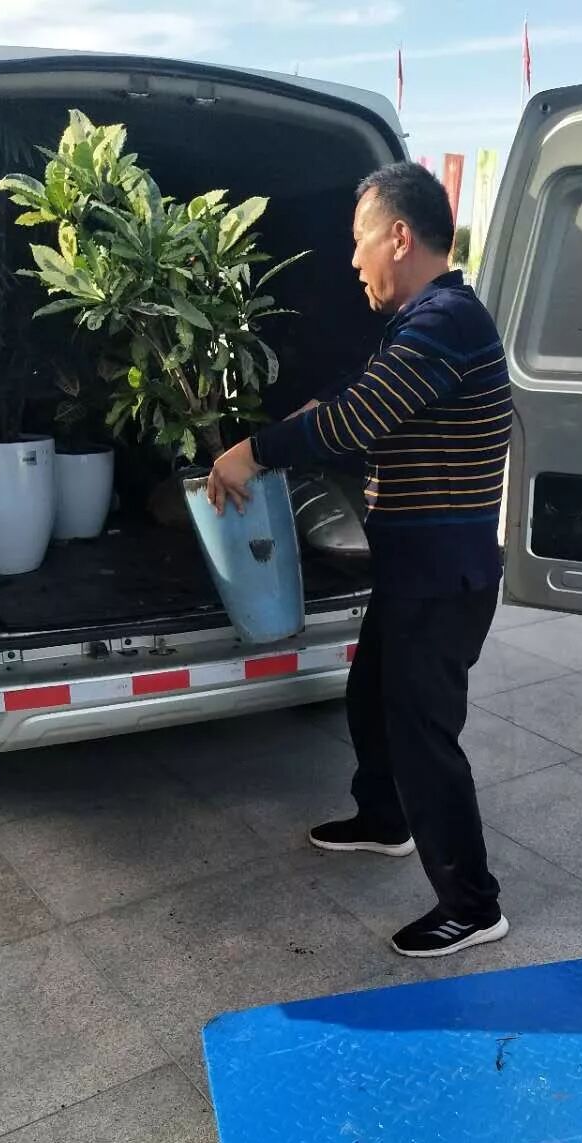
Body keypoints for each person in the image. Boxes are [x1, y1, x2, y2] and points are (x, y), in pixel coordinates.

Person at [209, 161, 512, 959]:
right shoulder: (427, 323)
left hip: (443, 581)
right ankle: (385, 820)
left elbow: (356, 419)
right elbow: (365, 390)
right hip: (417, 571)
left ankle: (473, 905)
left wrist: (252, 451)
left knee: (422, 734)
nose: (353, 261)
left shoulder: (446, 322)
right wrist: (318, 407)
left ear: (399, 238)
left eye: (359, 241)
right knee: (370, 695)